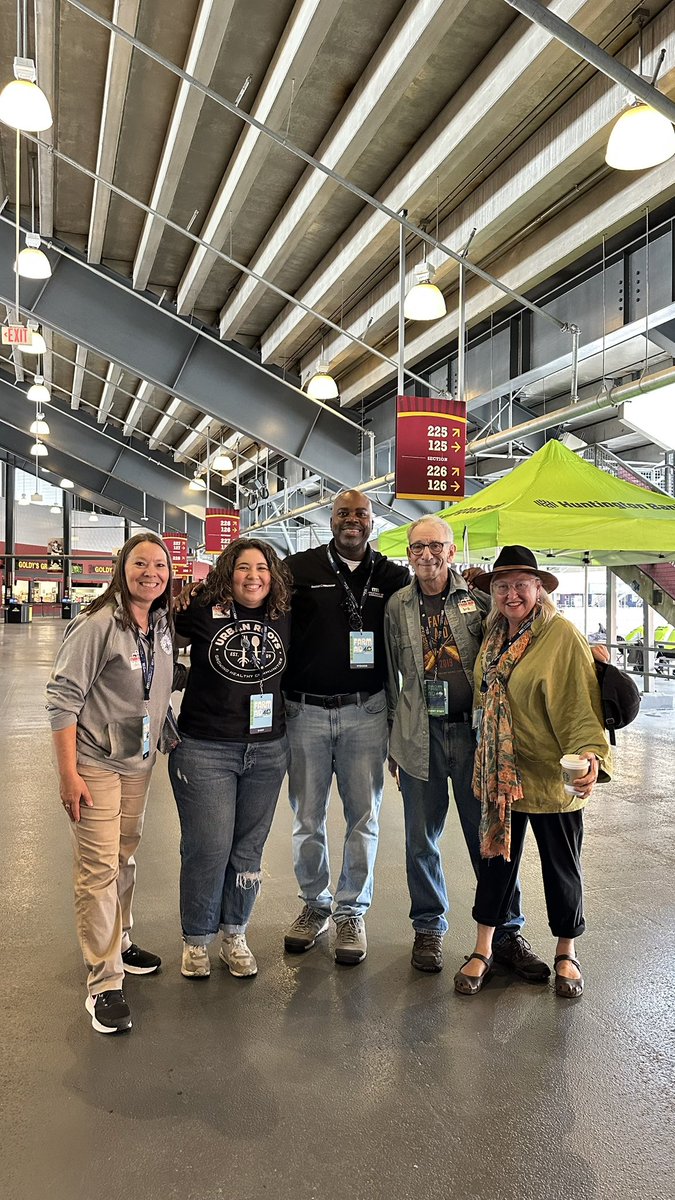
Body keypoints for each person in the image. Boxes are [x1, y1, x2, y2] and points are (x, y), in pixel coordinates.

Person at [385, 518, 548, 978]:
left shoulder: (479, 601)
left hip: (475, 737)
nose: (426, 554)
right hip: (420, 738)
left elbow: (527, 633)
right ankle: (428, 927)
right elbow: (387, 676)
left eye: (435, 545)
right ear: (409, 552)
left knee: (491, 837)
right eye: (418, 546)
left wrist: (590, 652)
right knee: (421, 838)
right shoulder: (397, 606)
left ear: (451, 552)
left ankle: (507, 930)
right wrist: (392, 742)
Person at [453, 545, 611, 999]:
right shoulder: (493, 632)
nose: (511, 593)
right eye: (502, 586)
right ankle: (484, 947)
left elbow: (580, 703)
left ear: (539, 589)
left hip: (549, 775)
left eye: (521, 584)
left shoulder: (560, 634)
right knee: (496, 864)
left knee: (562, 867)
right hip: (502, 776)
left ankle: (567, 950)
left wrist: (589, 754)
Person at [46, 534, 175, 1034]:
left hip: (137, 761)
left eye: (159, 565)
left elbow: (156, 689)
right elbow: (62, 699)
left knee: (125, 855)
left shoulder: (159, 624)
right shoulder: (98, 624)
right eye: (140, 563)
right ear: (122, 568)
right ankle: (103, 983)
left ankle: (121, 939)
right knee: (98, 866)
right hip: (96, 763)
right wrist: (67, 774)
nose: (151, 572)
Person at [283, 490, 410, 964]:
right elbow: (248, 594)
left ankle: (350, 911)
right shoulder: (297, 569)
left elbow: (440, 596)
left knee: (364, 817)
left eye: (360, 513)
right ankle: (315, 905)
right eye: (343, 514)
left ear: (372, 522)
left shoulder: (394, 576)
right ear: (330, 520)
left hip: (366, 712)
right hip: (305, 713)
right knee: (307, 818)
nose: (351, 520)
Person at [170, 538, 292, 980]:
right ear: (228, 572)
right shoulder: (201, 609)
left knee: (248, 850)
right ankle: (197, 939)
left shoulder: (285, 613)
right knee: (208, 848)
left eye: (261, 567)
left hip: (268, 749)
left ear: (273, 574)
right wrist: (178, 591)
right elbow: (157, 632)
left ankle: (235, 932)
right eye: (243, 567)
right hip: (205, 749)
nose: (253, 576)